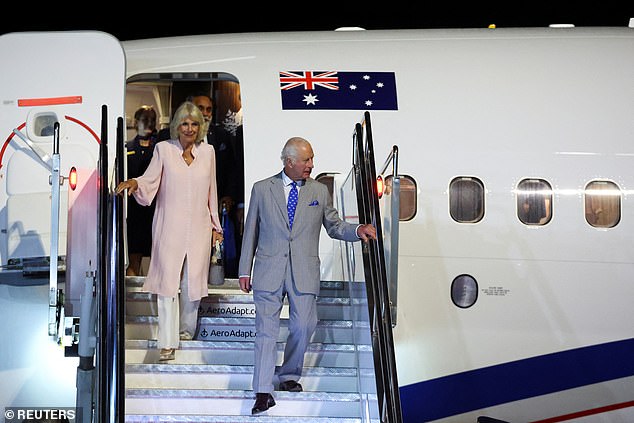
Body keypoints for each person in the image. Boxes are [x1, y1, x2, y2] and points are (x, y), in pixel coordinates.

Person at [238, 137, 377, 414]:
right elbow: (250, 229)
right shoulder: (262, 189)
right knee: (266, 333)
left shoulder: (318, 191)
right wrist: (244, 269)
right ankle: (263, 390)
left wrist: (358, 229)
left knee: (304, 326)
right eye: (306, 160)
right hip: (268, 270)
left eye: (312, 159)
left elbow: (334, 226)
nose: (311, 165)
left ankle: (288, 375)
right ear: (289, 162)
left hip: (303, 271)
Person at [116, 101, 223, 362]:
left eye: (194, 124)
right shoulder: (164, 149)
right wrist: (133, 182)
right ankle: (166, 342)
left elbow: (212, 191)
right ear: (176, 125)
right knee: (168, 286)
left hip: (199, 228)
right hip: (169, 226)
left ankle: (186, 334)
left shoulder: (208, 152)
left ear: (201, 127)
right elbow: (150, 179)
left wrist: (216, 227)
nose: (189, 128)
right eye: (185, 123)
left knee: (192, 284)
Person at [159, 93, 242, 277]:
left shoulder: (220, 137)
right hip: (174, 216)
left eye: (209, 109)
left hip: (211, 209)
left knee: (201, 270)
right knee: (172, 273)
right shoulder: (166, 140)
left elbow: (231, 168)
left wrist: (229, 196)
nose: (205, 113)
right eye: (200, 108)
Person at [124, 105, 158, 276]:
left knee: (159, 259)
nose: (149, 123)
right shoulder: (126, 148)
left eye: (153, 119)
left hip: (156, 210)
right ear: (136, 122)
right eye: (145, 119)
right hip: (135, 212)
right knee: (134, 259)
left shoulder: (162, 149)